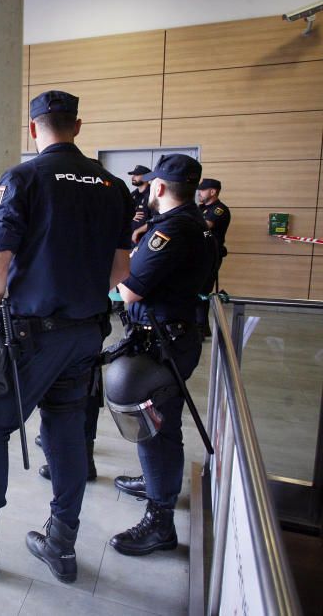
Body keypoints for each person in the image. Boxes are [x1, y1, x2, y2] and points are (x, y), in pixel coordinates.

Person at [0, 90, 133, 584]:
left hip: (32, 333)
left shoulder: (23, 178)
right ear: (78, 126)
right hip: (86, 333)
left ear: (33, 127)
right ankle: (61, 545)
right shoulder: (115, 186)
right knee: (65, 431)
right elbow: (121, 270)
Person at [109, 154, 215, 555]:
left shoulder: (170, 231)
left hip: (164, 342)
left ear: (158, 187)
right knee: (159, 425)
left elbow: (130, 289)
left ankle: (160, 522)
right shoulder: (195, 224)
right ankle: (158, 483)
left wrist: (122, 266)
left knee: (158, 425)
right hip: (176, 335)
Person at [196, 177, 230, 336]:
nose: (199, 193)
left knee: (202, 290)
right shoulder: (201, 208)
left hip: (211, 255)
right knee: (197, 289)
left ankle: (200, 328)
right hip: (200, 254)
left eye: (202, 190)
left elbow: (205, 225)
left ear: (213, 191)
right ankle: (202, 327)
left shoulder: (219, 209)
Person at [128, 165, 152, 244]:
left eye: (136, 175)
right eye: (133, 175)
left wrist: (138, 231)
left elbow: (157, 219)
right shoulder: (133, 195)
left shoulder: (152, 195)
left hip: (145, 239)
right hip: (130, 239)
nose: (133, 177)